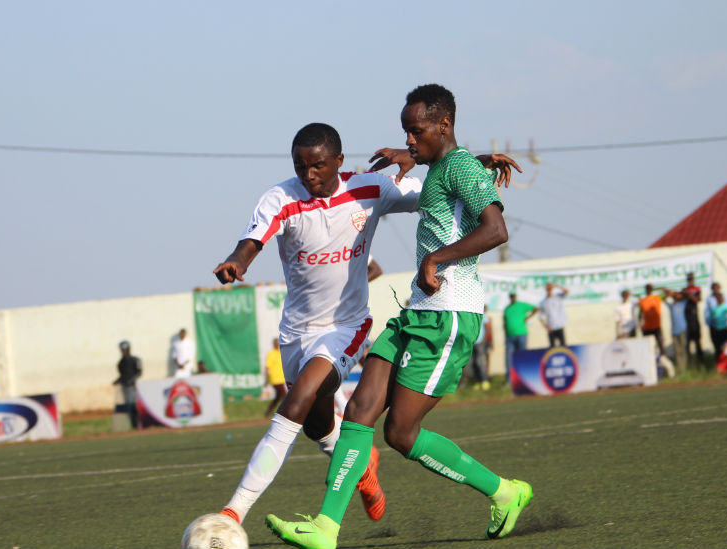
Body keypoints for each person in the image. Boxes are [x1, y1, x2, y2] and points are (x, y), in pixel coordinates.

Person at [265, 84, 530, 548]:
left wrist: (435, 260)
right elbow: (449, 169)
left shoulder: (460, 166)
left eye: (415, 131)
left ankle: (504, 492)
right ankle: (326, 528)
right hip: (416, 312)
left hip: (448, 315)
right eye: (405, 131)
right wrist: (417, 158)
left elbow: (496, 230)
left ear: (443, 124)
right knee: (360, 411)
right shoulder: (448, 165)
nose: (409, 139)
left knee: (401, 434)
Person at [211, 122, 422, 526]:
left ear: (339, 162)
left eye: (318, 166)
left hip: (346, 325)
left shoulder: (370, 188)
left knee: (297, 399)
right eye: (301, 166)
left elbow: (434, 189)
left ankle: (232, 512)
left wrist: (468, 164)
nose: (309, 175)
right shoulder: (281, 197)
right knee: (317, 425)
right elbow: (254, 238)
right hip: (296, 333)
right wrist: (238, 261)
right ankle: (362, 463)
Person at [503, 292, 537, 381]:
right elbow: (505, 322)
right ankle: (509, 380)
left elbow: (536, 308)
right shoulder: (507, 308)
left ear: (516, 297)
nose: (512, 297)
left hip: (521, 334)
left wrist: (528, 318)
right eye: (511, 296)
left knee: (522, 356)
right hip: (510, 336)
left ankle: (525, 378)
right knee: (508, 358)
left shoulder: (522, 305)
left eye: (514, 296)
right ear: (509, 297)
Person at [113, 340, 142, 426]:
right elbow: (122, 375)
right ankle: (131, 423)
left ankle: (137, 423)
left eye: (124, 349)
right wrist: (118, 380)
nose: (123, 352)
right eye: (122, 350)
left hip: (132, 386)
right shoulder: (120, 363)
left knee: (133, 404)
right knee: (127, 404)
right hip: (124, 386)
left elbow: (139, 372)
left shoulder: (135, 360)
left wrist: (131, 381)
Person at [664, 289, 688, 374]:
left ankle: (684, 368)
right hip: (674, 331)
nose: (675, 297)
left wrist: (675, 293)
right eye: (674, 297)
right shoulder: (671, 305)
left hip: (682, 329)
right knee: (677, 351)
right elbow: (664, 300)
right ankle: (680, 369)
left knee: (683, 350)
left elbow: (686, 295)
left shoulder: (682, 303)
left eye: (676, 296)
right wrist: (669, 294)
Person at [683, 273, 704, 365]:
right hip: (686, 319)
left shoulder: (697, 289)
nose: (690, 281)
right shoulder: (685, 289)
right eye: (688, 279)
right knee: (687, 343)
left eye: (691, 279)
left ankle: (700, 362)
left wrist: (689, 294)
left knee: (697, 342)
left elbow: (697, 300)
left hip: (694, 318)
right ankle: (688, 364)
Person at [263, 338, 287, 418]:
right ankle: (285, 414)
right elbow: (267, 367)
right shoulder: (271, 354)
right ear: (273, 344)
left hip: (281, 379)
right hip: (275, 379)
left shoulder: (281, 352)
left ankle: (268, 412)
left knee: (277, 398)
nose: (277, 344)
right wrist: (266, 379)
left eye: (278, 343)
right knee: (284, 396)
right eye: (276, 343)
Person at [639, 284, 665, 357]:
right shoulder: (642, 300)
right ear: (645, 289)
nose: (649, 290)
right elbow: (640, 314)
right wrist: (640, 325)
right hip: (647, 328)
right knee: (648, 347)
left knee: (661, 346)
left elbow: (666, 292)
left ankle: (662, 362)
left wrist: (656, 288)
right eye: (647, 288)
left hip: (656, 327)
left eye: (650, 288)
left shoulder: (657, 298)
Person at [539, 283, 569, 347]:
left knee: (563, 345)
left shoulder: (557, 297)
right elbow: (541, 317)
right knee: (552, 347)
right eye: (548, 289)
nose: (549, 290)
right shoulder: (543, 302)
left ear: (552, 289)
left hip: (559, 325)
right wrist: (546, 327)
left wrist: (556, 286)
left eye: (550, 289)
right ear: (546, 290)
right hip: (551, 327)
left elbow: (567, 291)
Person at [704, 282, 722, 363]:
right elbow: (707, 311)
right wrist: (709, 322)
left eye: (717, 287)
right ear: (712, 289)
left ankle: (725, 364)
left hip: (723, 326)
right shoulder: (709, 299)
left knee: (724, 345)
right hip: (713, 326)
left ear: (719, 288)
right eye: (714, 288)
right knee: (716, 345)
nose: (715, 289)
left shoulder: (723, 297)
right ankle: (718, 363)